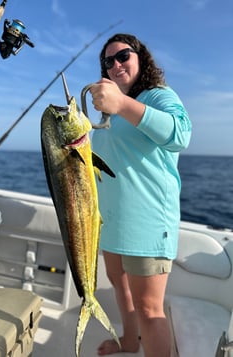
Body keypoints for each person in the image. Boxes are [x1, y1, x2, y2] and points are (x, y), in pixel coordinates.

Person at [90, 33, 192, 357]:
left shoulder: (158, 96)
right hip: (112, 221)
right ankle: (130, 341)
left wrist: (121, 103)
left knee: (150, 310)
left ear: (140, 57)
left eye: (123, 56)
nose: (116, 64)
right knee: (119, 286)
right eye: (109, 61)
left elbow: (181, 134)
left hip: (146, 223)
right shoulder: (108, 114)